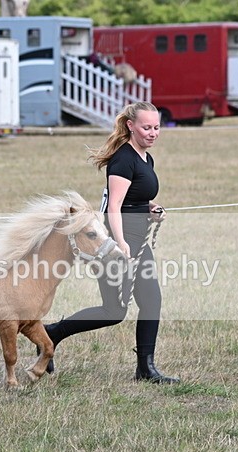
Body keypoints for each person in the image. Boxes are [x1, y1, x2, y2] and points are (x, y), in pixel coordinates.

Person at [42, 101, 179, 384]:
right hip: (117, 246)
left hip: (137, 241)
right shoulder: (123, 159)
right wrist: (119, 244)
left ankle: (146, 369)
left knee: (151, 302)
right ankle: (50, 334)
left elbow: (134, 199)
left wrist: (150, 208)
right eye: (146, 127)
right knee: (113, 311)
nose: (153, 133)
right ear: (131, 126)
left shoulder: (145, 158)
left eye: (156, 127)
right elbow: (113, 207)